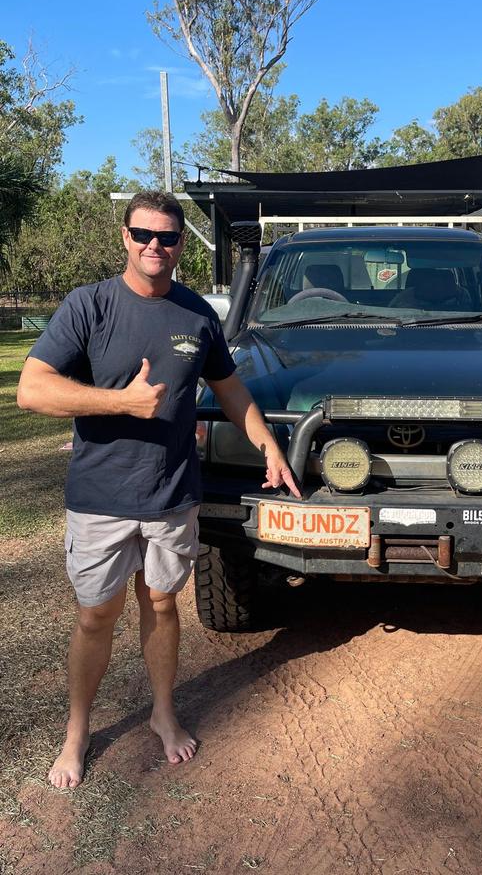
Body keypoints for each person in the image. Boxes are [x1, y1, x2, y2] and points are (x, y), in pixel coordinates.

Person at [17, 190, 300, 790]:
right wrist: (121, 401)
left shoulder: (197, 315)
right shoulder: (88, 306)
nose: (154, 246)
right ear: (125, 236)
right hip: (99, 495)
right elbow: (32, 390)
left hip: (172, 493)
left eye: (167, 237)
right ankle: (77, 732)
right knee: (96, 616)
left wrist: (268, 444)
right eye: (143, 234)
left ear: (178, 246)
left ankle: (162, 713)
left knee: (164, 604)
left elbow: (230, 390)